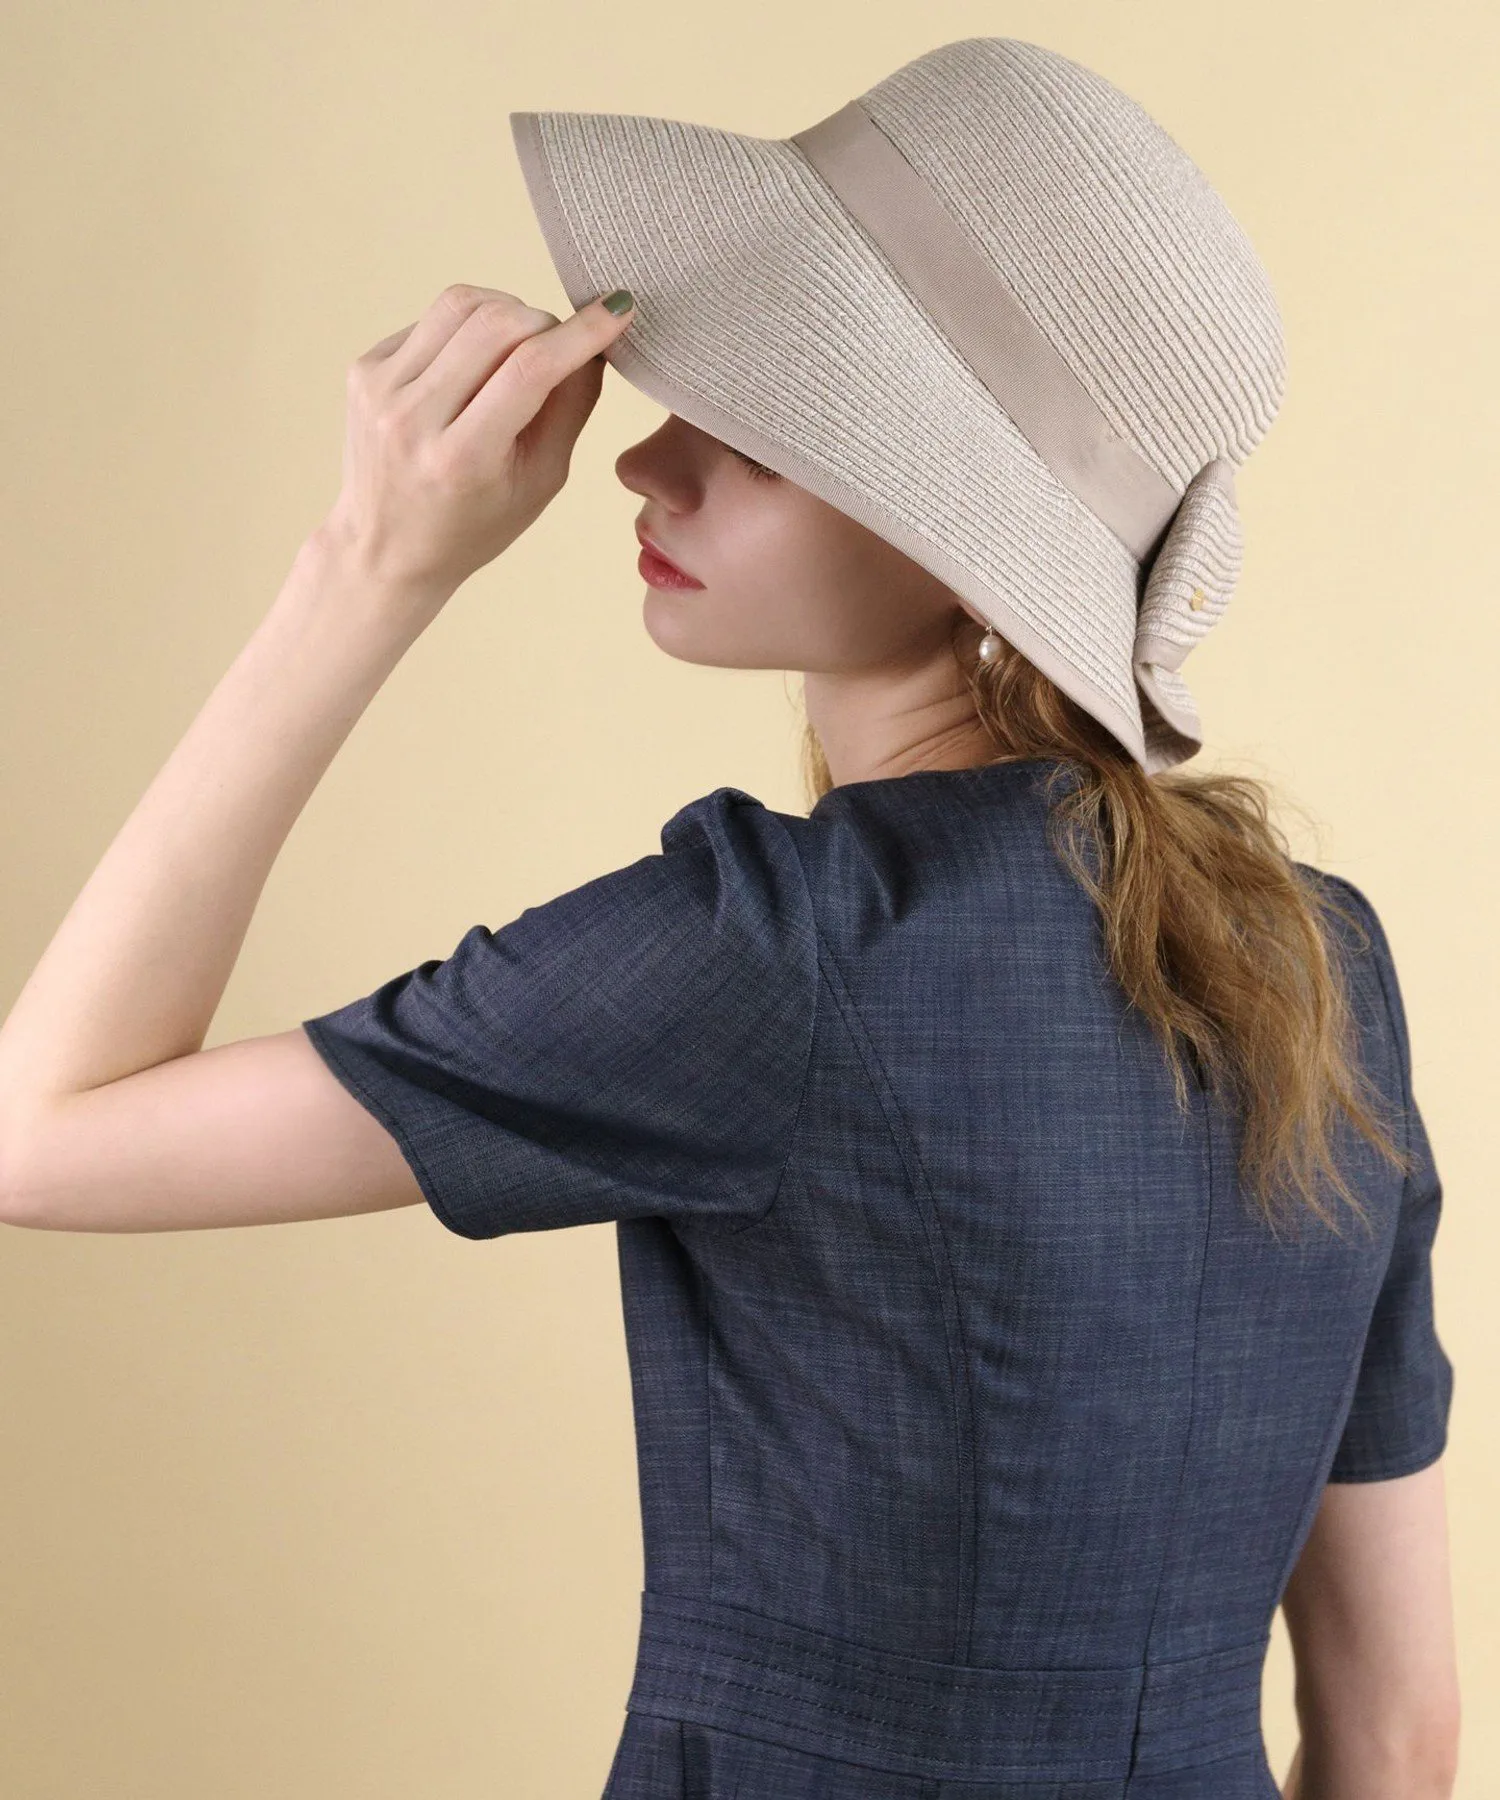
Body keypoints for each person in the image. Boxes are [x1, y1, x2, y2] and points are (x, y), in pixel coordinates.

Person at [0, 36, 1458, 1800]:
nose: (650, 464)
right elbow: (1397, 1736)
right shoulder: (1319, 958)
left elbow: (41, 1136)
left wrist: (368, 566)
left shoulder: (775, 952)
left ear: (959, 538)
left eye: (764, 434)